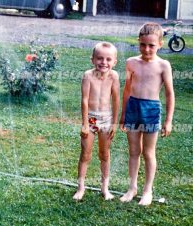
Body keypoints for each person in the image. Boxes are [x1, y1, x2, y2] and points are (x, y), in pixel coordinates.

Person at [119, 22, 175, 206]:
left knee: (149, 153)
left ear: (160, 44)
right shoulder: (131, 63)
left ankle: (147, 190)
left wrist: (168, 120)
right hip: (133, 107)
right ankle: (132, 188)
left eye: (151, 45)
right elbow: (127, 89)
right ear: (138, 43)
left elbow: (169, 93)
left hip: (151, 109)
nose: (147, 49)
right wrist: (123, 113)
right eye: (143, 44)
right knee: (134, 151)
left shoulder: (163, 65)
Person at [73, 42, 120, 201]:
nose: (104, 62)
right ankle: (80, 188)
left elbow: (116, 100)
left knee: (104, 154)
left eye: (108, 59)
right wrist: (85, 124)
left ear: (115, 62)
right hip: (91, 119)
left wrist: (114, 123)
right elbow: (84, 100)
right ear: (92, 59)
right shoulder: (88, 76)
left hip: (106, 119)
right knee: (85, 154)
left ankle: (105, 188)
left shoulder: (114, 76)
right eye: (100, 58)